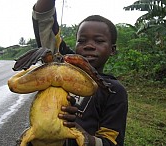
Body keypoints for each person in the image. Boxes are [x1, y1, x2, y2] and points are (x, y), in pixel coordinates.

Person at [29, 0, 128, 145]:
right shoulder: (61, 67)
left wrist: (80, 134)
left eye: (99, 41)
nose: (89, 46)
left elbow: (112, 142)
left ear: (112, 50)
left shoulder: (113, 90)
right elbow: (44, 21)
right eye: (81, 40)